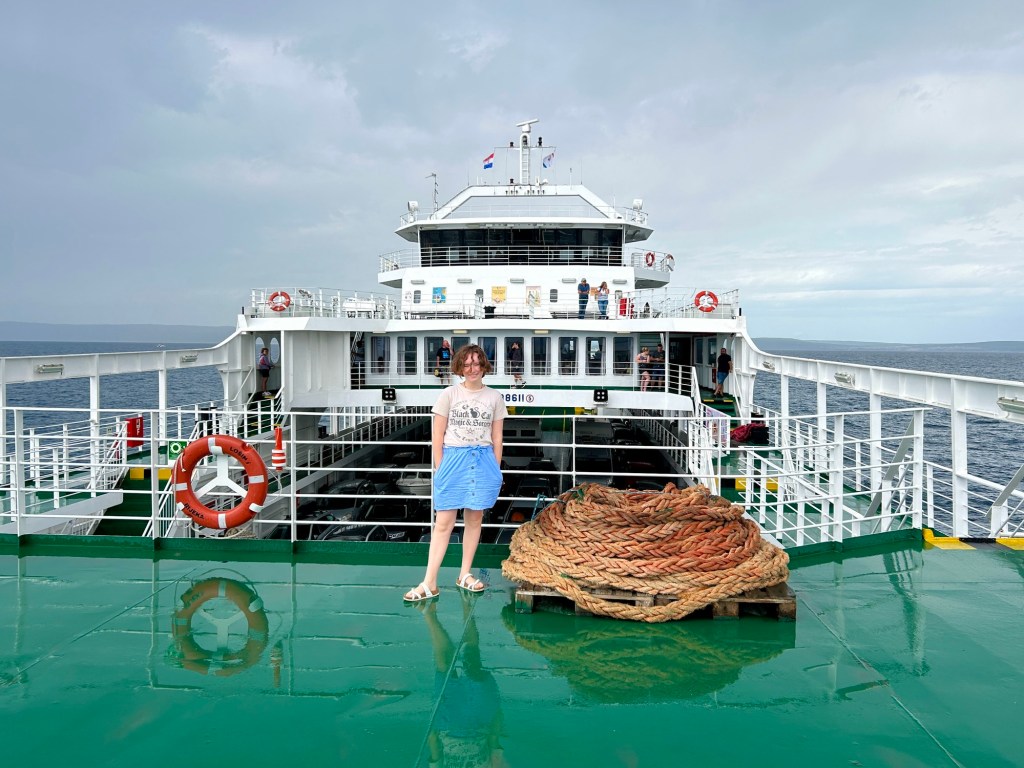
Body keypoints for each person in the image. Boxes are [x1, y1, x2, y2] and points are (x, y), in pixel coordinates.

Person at [405, 344, 506, 602]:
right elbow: (437, 434)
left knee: (475, 519)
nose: (472, 369)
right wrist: (441, 467)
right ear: (460, 367)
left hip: (483, 460)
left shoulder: (494, 397)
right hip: (454, 458)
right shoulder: (449, 394)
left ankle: (464, 574)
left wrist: (495, 468)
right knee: (444, 522)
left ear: (484, 365)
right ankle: (429, 582)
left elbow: (497, 436)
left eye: (477, 363)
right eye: (467, 364)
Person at [417, 596, 506, 767]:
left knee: (447, 666)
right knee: (470, 660)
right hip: (478, 722)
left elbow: (434, 747)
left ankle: (430, 614)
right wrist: (495, 712)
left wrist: (436, 725)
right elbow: (494, 743)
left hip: (449, 724)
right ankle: (467, 603)